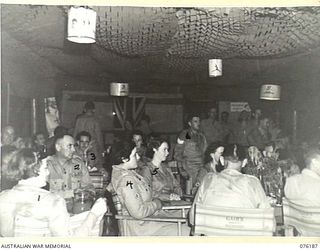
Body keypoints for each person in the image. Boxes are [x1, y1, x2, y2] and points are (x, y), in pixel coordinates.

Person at [0, 149, 107, 237]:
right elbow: (69, 244)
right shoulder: (54, 202)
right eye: (46, 168)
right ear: (35, 170)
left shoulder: (3, 198)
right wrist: (94, 214)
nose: (48, 172)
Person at [111, 143, 190, 236]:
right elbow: (139, 212)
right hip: (141, 227)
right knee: (187, 230)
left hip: (149, 219)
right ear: (124, 159)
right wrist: (157, 203)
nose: (138, 157)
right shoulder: (127, 180)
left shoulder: (129, 173)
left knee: (190, 218)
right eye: (134, 154)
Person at [189, 144, 270, 225]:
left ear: (222, 160)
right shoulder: (253, 182)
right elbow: (268, 222)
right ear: (244, 162)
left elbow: (193, 218)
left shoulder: (208, 179)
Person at [46, 134, 95, 211]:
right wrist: (72, 193)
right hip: (54, 211)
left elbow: (90, 187)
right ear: (58, 147)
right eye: (69, 146)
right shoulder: (47, 166)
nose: (74, 150)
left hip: (77, 210)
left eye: (74, 146)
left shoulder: (78, 164)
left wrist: (87, 193)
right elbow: (44, 194)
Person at [174, 114, 207, 186]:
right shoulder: (185, 134)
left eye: (199, 121)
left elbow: (204, 152)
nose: (198, 123)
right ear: (190, 123)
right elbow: (178, 154)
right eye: (195, 121)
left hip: (201, 169)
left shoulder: (202, 136)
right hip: (189, 169)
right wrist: (182, 170)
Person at [73, 101, 104, 171]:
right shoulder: (95, 120)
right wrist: (102, 149)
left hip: (80, 145)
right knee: (95, 163)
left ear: (84, 109)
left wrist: (74, 145)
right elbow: (99, 136)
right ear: (94, 110)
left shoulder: (79, 119)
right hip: (92, 145)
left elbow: (75, 133)